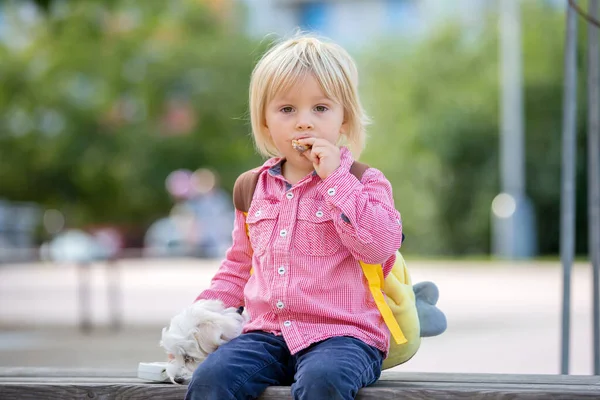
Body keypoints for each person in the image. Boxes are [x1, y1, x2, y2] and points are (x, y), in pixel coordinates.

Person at [185, 34, 404, 400]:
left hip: (343, 336)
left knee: (323, 382)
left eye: (320, 108)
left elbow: (379, 247)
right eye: (287, 110)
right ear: (266, 122)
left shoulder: (364, 182)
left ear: (344, 118)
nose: (304, 123)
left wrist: (335, 181)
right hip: (266, 334)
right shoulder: (252, 187)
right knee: (211, 380)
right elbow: (239, 266)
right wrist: (198, 315)